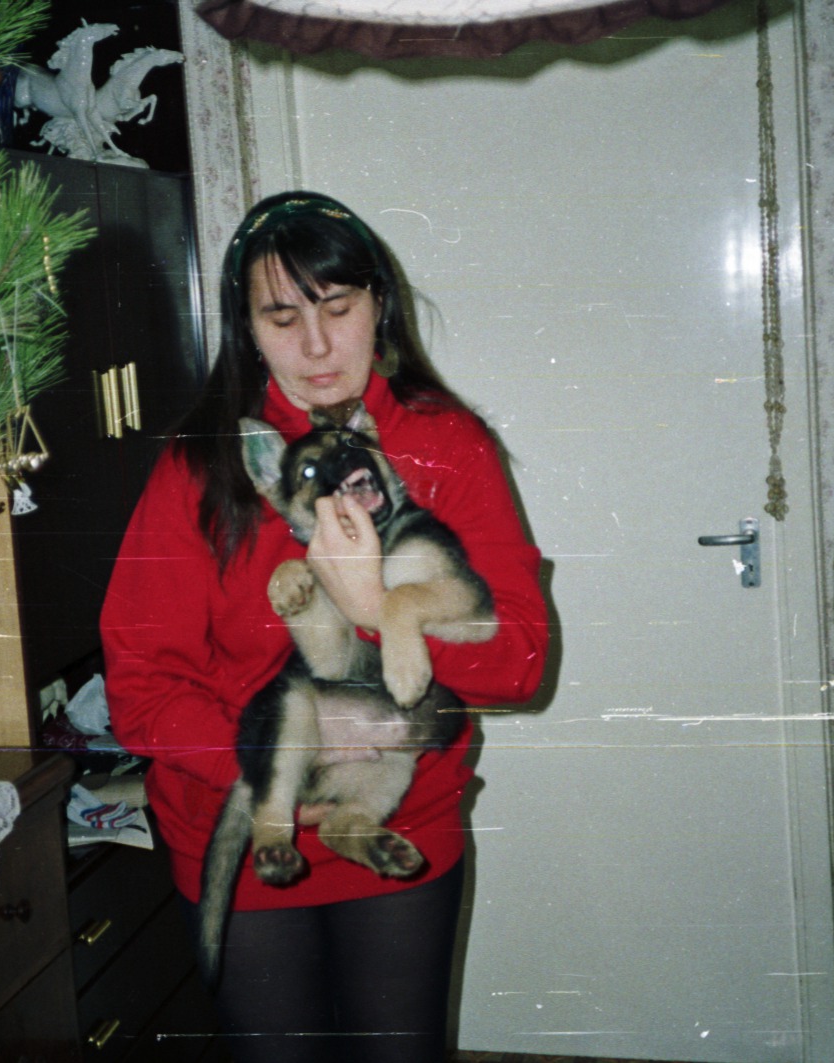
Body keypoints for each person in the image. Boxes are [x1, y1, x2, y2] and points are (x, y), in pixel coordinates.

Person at [100, 191, 548, 1063]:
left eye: (336, 310)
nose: (313, 346)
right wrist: (280, 764)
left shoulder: (445, 446)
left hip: (399, 812)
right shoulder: (202, 464)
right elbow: (142, 685)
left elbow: (519, 663)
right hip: (247, 817)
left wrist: (373, 608)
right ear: (246, 329)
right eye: (281, 317)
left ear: (378, 306)